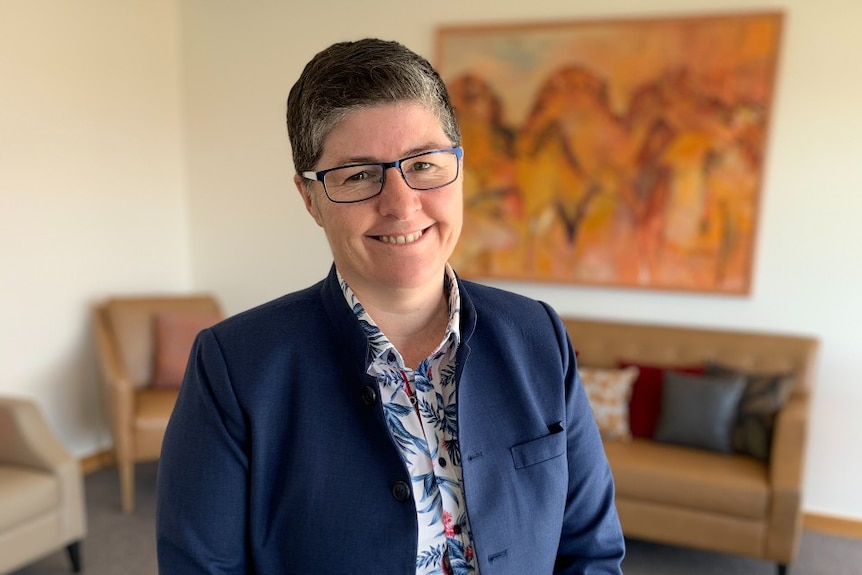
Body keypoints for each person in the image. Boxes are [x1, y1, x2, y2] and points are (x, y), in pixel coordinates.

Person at [156, 38, 625, 574]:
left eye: (423, 164)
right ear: (310, 199)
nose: (402, 204)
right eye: (358, 175)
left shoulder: (537, 334)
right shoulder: (234, 368)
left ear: (458, 169)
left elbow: (590, 552)